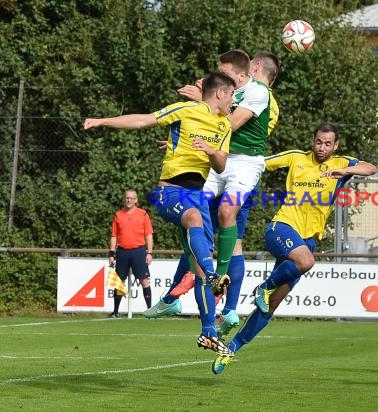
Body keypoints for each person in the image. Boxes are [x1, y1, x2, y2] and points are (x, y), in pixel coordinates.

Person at [84, 71, 237, 357]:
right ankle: (214, 277)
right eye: (231, 95)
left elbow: (220, 165)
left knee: (200, 270)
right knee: (195, 227)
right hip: (170, 192)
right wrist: (104, 121)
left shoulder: (225, 125)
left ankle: (208, 333)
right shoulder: (187, 110)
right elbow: (144, 119)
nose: (233, 101)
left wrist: (209, 151)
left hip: (197, 197)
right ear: (219, 93)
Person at [210, 123, 378, 375]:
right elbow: (258, 163)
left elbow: (371, 168)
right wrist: (216, 157)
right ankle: (263, 287)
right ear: (313, 140)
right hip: (282, 228)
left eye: (327, 143)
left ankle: (231, 348)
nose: (322, 147)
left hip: (307, 242)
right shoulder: (295, 157)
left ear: (336, 145)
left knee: (272, 305)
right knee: (306, 262)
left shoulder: (341, 164)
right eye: (318, 142)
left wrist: (343, 171)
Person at [147, 51, 281, 338]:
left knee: (226, 214)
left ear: (248, 70)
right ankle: (178, 292)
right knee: (192, 210)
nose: (219, 76)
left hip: (244, 165)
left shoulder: (259, 93)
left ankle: (219, 286)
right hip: (218, 159)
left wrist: (203, 100)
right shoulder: (231, 92)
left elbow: (228, 124)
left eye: (224, 71)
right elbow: (213, 125)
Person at [108, 189, 154, 318]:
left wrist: (149, 253)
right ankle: (116, 311)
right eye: (127, 198)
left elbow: (148, 235)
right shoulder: (118, 215)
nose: (129, 200)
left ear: (136, 200)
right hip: (122, 252)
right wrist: (111, 254)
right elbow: (114, 236)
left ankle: (150, 311)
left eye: (132, 198)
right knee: (119, 282)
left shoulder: (143, 214)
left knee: (144, 280)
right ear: (124, 199)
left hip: (138, 251)